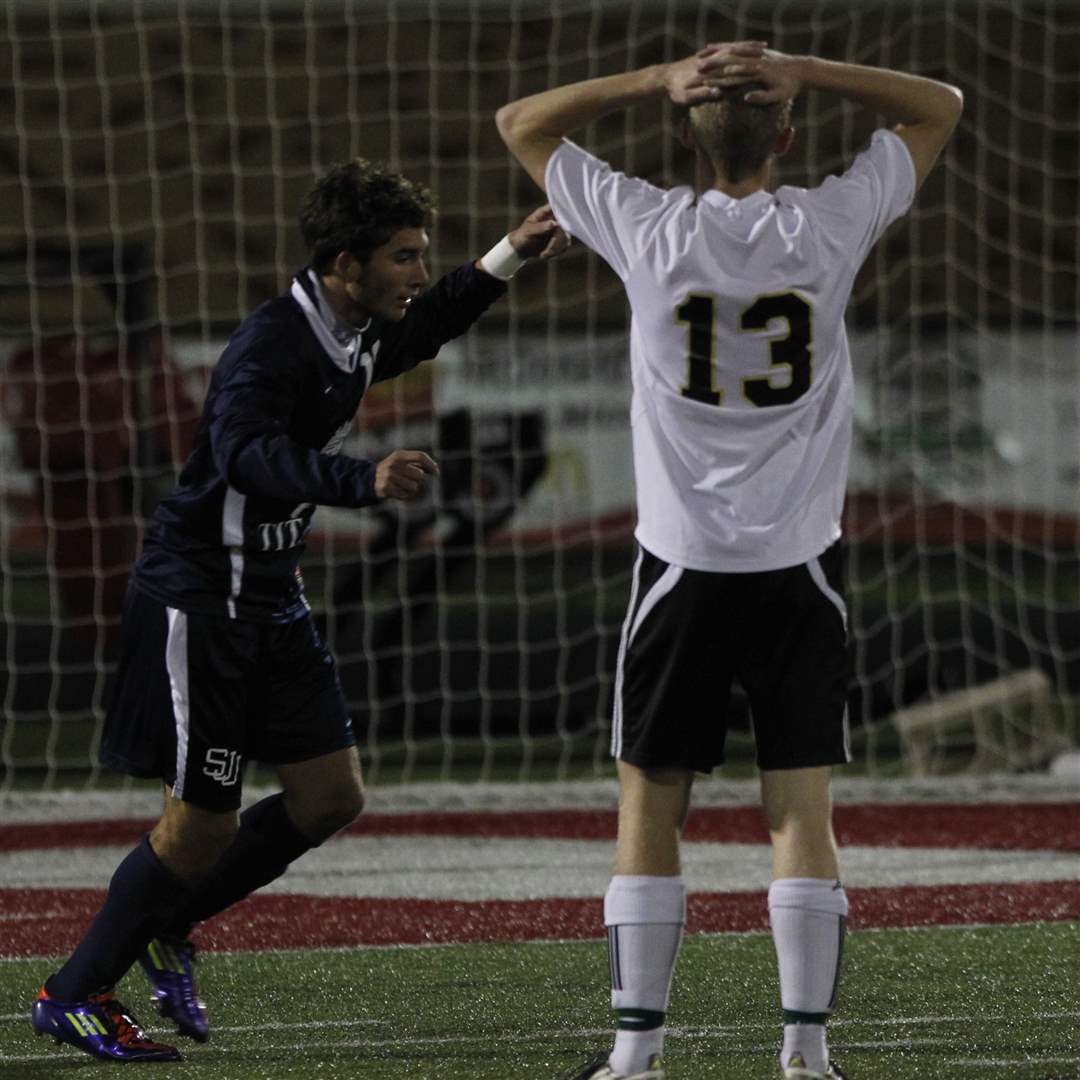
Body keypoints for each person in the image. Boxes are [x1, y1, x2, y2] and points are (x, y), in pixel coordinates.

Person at [29, 158, 568, 1063]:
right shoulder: (273, 342)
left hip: (273, 596)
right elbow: (242, 453)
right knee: (198, 826)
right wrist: (362, 479)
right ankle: (71, 993)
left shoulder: (355, 325)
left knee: (328, 796)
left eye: (421, 254)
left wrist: (508, 253)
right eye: (403, 257)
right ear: (344, 264)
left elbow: (427, 327)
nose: (415, 272)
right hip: (205, 599)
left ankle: (168, 924)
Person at [497, 41, 961, 1080]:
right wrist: (802, 64)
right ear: (789, 137)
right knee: (799, 808)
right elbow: (940, 105)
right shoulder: (829, 221)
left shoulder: (648, 223)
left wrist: (656, 77)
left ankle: (636, 1058)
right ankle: (805, 1053)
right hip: (801, 566)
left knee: (650, 800)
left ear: (683, 136)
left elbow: (522, 123)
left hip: (681, 567)